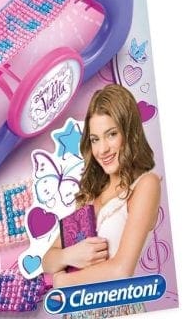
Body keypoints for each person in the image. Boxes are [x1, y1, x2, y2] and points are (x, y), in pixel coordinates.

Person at [42, 84, 161, 288]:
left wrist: (61, 281)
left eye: (111, 134)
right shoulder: (90, 195)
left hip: (116, 302)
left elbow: (121, 270)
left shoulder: (145, 185)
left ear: (129, 132)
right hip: (76, 305)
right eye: (95, 139)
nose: (102, 149)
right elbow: (47, 260)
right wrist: (70, 255)